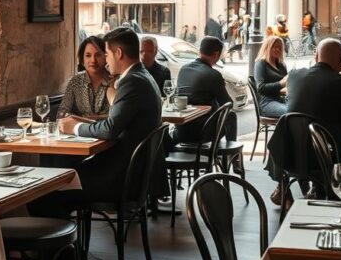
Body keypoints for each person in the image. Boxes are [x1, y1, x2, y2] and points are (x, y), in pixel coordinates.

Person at [33, 28, 163, 216]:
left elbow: (110, 129)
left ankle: (59, 235)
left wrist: (76, 127)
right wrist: (84, 121)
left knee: (42, 191)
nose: (106, 61)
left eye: (106, 54)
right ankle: (65, 234)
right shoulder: (143, 77)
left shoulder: (132, 82)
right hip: (131, 175)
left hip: (118, 180)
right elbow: (117, 123)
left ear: (119, 53)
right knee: (56, 179)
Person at [266, 39, 341, 203]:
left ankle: (293, 187)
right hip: (328, 156)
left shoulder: (294, 76)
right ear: (340, 60)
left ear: (316, 56)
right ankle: (323, 190)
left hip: (291, 152)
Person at [172, 36, 238, 145]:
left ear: (200, 51)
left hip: (180, 131)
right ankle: (230, 153)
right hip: (202, 133)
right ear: (216, 55)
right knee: (231, 116)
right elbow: (228, 103)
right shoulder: (214, 75)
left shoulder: (183, 69)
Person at [58, 36, 111, 119]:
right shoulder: (75, 81)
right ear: (82, 59)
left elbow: (120, 115)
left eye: (98, 55)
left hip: (108, 126)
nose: (93, 60)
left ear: (106, 57)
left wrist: (98, 118)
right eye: (88, 55)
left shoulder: (114, 81)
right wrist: (76, 118)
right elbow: (62, 112)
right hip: (80, 126)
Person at [253, 36, 288, 118]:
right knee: (292, 112)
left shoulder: (281, 65)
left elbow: (286, 85)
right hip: (267, 103)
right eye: (275, 47)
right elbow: (260, 88)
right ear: (268, 47)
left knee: (303, 108)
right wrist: (281, 84)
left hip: (282, 99)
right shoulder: (261, 63)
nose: (278, 49)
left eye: (280, 48)